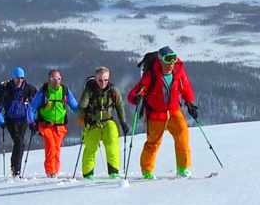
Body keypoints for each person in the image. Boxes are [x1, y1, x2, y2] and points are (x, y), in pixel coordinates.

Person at [127, 46, 198, 179]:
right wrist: (137, 97)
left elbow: (186, 87)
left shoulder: (179, 72)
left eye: (174, 59)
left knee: (183, 136)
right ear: (160, 61)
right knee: (153, 142)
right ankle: (147, 171)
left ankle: (183, 169)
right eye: (168, 60)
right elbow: (132, 95)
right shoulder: (151, 75)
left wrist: (190, 102)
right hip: (156, 114)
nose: (171, 63)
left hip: (173, 111)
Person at [26, 69, 79, 178]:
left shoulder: (64, 91)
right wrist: (31, 122)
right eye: (53, 79)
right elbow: (31, 108)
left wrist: (85, 111)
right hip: (45, 124)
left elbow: (74, 106)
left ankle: (55, 169)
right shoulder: (43, 92)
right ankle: (51, 171)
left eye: (58, 78)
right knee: (51, 145)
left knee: (57, 148)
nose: (56, 81)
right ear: (49, 79)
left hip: (60, 125)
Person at [78, 66, 128, 180]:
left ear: (108, 78)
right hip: (92, 122)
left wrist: (123, 122)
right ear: (95, 79)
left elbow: (120, 106)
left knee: (112, 144)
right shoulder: (89, 91)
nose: (103, 83)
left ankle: (114, 171)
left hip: (108, 121)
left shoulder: (113, 91)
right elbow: (82, 106)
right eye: (100, 80)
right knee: (90, 148)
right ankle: (88, 173)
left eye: (105, 80)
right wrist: (83, 114)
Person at [0, 66, 37, 177]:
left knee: (20, 142)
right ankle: (15, 168)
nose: (19, 80)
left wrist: (34, 122)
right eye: (17, 78)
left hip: (24, 119)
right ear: (14, 78)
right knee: (19, 142)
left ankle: (15, 168)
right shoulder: (7, 90)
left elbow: (35, 105)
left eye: (21, 78)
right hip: (11, 120)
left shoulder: (29, 89)